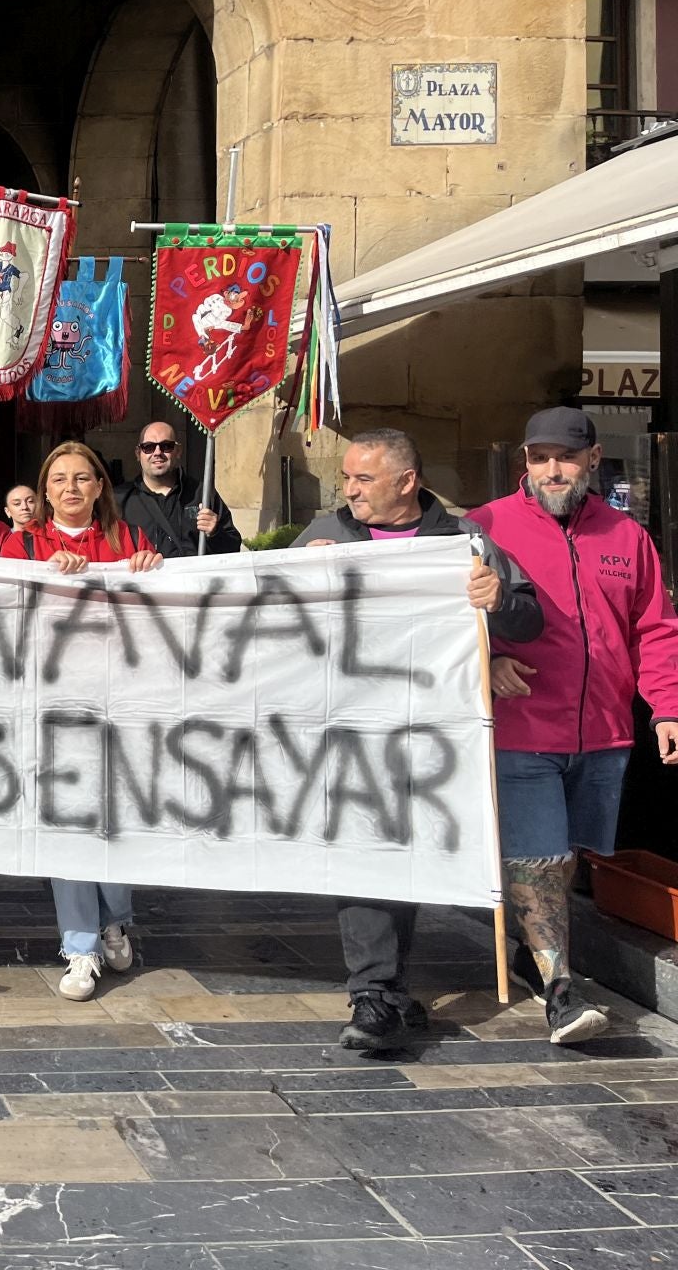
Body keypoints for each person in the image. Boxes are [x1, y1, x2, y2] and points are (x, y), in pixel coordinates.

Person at [299, 428, 544, 1050]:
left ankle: (389, 988)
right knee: (364, 852)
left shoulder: (464, 540)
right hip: (349, 730)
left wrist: (497, 607)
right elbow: (266, 618)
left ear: (406, 482)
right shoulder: (327, 533)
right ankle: (373, 995)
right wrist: (300, 574)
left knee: (411, 855)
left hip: (435, 735)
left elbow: (529, 616)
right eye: (346, 479)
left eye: (363, 480)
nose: (349, 491)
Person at [472, 406, 678, 1045]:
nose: (551, 469)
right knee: (540, 857)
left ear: (592, 460)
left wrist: (666, 706)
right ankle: (561, 992)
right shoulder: (484, 527)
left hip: (606, 734)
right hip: (522, 732)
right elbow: (443, 617)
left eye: (564, 456)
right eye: (539, 457)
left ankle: (527, 953)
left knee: (565, 863)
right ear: (524, 464)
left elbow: (656, 626)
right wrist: (493, 656)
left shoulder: (627, 537)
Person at [21, 441, 162, 999]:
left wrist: (151, 571)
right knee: (66, 825)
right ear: (44, 489)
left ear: (101, 487)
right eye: (59, 480)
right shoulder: (24, 543)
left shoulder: (129, 541)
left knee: (115, 820)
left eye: (83, 478)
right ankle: (78, 947)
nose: (71, 489)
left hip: (120, 704)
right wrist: (47, 577)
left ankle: (115, 918)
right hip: (53, 707)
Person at [115, 421, 241, 558]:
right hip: (141, 578)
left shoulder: (202, 494)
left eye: (166, 446)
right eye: (148, 447)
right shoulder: (120, 499)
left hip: (191, 578)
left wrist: (215, 532)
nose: (157, 452)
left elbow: (233, 548)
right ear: (138, 454)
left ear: (178, 451)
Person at [0, 483, 41, 557]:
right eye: (17, 504)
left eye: (30, 501)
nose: (24, 507)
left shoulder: (49, 535)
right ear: (7, 511)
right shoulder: (2, 539)